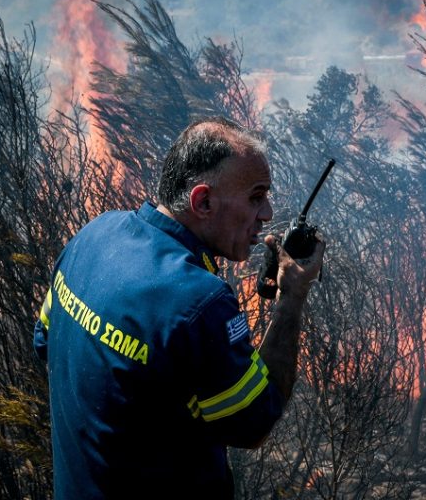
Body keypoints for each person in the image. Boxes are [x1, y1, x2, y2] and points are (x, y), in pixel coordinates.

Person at [33, 117, 325, 498]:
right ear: (202, 201)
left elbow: (45, 342)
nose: (267, 213)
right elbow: (255, 420)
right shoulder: (200, 301)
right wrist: (291, 298)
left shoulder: (93, 234)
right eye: (256, 197)